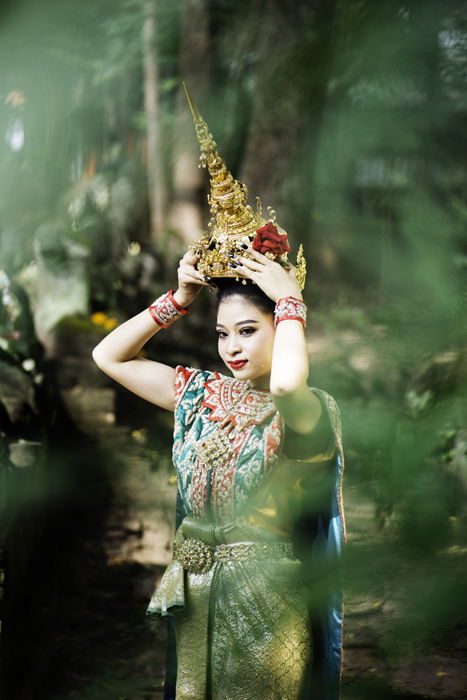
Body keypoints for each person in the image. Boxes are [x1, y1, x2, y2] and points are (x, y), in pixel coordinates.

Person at [92, 85, 346, 700]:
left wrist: (288, 299)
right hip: (196, 595)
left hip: (268, 608)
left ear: (283, 327)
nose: (231, 347)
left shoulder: (309, 410)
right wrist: (177, 302)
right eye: (221, 333)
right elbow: (109, 356)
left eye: (249, 331)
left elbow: (286, 380)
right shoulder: (201, 395)